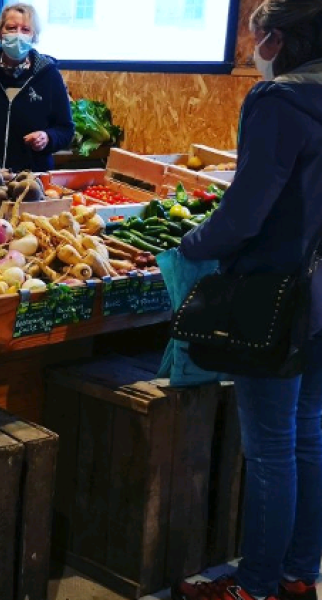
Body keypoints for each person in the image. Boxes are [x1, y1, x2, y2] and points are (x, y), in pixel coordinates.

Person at [171, 2, 322, 600]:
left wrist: (194, 242)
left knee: (270, 449)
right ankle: (297, 576)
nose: (253, 48)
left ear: (278, 40)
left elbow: (247, 211)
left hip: (277, 294)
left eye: (256, 37)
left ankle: (253, 588)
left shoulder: (279, 101)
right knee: (309, 434)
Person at [0, 2, 74, 172]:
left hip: (30, 180)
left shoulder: (49, 76)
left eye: (25, 30)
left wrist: (48, 137)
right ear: (0, 32)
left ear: (34, 36)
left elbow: (66, 130)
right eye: (11, 28)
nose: (18, 35)